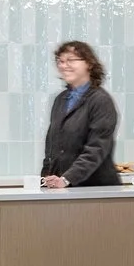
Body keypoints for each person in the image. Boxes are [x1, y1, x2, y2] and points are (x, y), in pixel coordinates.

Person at [41, 40, 121, 188]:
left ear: (89, 64)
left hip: (96, 189)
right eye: (60, 61)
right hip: (63, 188)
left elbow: (96, 148)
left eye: (70, 60)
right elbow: (51, 148)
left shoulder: (101, 101)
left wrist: (66, 179)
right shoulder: (60, 100)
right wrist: (45, 179)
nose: (64, 65)